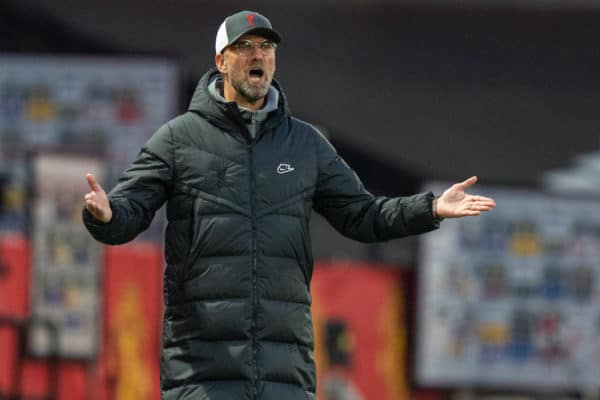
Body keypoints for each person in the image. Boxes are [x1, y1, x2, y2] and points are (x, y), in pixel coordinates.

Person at [82, 10, 495, 400]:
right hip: (202, 373)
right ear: (222, 62)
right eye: (245, 47)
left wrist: (431, 209)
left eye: (266, 47)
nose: (258, 54)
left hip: (285, 372)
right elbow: (129, 211)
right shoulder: (177, 140)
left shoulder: (307, 144)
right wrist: (106, 214)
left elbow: (363, 216)